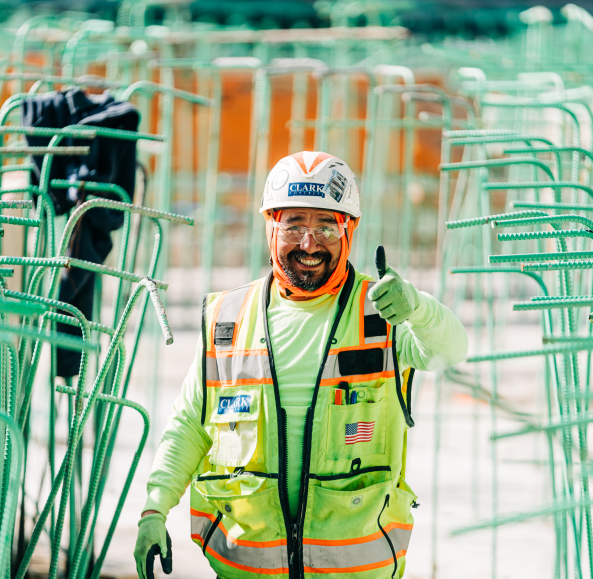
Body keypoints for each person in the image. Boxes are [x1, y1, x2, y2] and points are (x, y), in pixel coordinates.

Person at [134, 151, 468, 579]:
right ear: (271, 227)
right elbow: (189, 425)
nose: (309, 244)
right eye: (294, 225)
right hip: (247, 569)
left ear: (350, 230)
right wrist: (154, 509)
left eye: (326, 226)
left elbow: (452, 348)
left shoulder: (382, 312)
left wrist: (419, 308)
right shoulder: (228, 319)